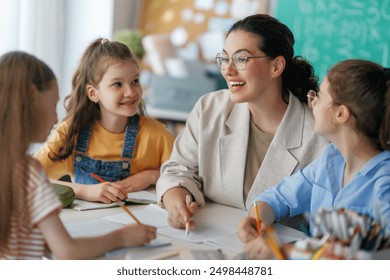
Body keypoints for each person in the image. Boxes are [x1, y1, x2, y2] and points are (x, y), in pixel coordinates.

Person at [156, 14, 329, 230]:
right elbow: (178, 170)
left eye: (241, 59)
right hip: (207, 236)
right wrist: (176, 203)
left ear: (276, 67)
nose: (228, 70)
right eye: (225, 58)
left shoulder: (320, 131)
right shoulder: (209, 108)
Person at [0, 51, 156, 259]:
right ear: (32, 97)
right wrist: (121, 237)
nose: (56, 118)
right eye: (53, 104)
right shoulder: (29, 172)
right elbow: (67, 251)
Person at [238, 59, 390, 259]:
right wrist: (257, 218)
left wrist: (287, 253)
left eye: (318, 95)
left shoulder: (384, 182)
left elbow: (379, 256)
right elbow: (278, 197)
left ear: (341, 113)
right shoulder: (331, 159)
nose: (313, 102)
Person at [34, 38, 174, 204]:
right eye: (117, 84)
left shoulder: (157, 134)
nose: (130, 92)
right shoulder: (70, 132)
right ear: (93, 93)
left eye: (135, 81)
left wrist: (151, 175)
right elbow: (27, 177)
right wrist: (83, 191)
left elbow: (185, 176)